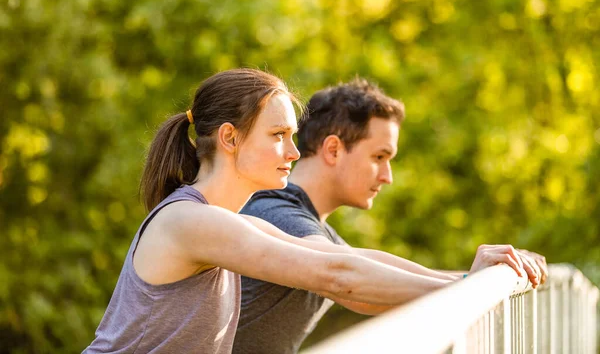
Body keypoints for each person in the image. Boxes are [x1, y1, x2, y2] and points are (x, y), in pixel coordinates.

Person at [84, 69, 531, 353]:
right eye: (278, 134)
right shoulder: (191, 221)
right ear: (229, 138)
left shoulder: (231, 222)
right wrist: (467, 285)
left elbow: (348, 260)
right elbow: (336, 276)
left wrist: (467, 280)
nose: (295, 151)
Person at [233, 78, 548, 354]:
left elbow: (364, 278)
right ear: (332, 150)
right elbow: (344, 276)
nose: (387, 176)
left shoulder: (311, 226)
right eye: (379, 157)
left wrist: (475, 279)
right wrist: (466, 282)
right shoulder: (275, 210)